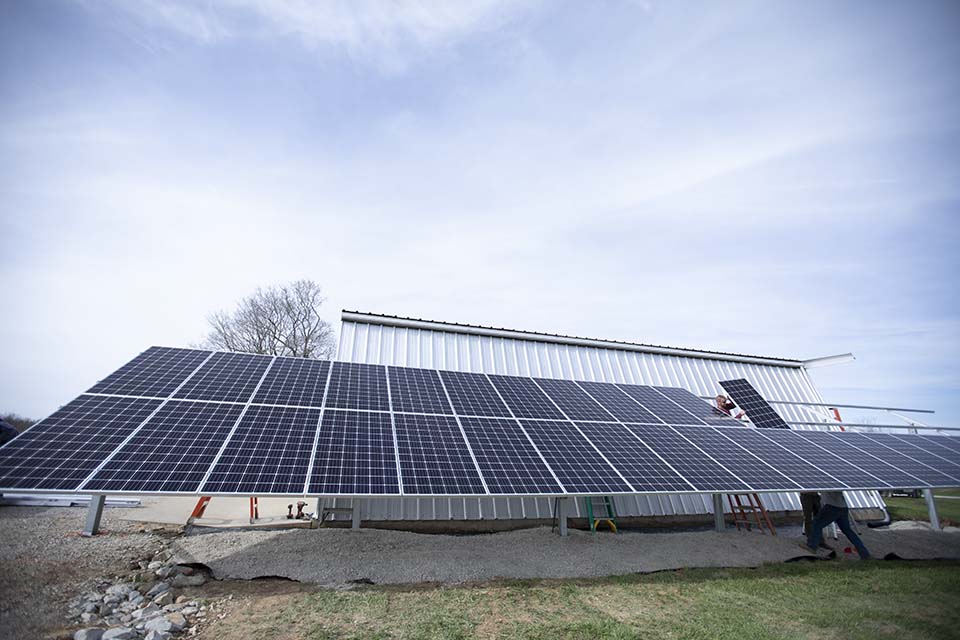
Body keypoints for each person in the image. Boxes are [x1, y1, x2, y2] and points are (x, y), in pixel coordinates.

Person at [799, 491, 871, 559]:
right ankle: (864, 554)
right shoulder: (836, 480)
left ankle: (812, 546)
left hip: (832, 507)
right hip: (843, 507)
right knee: (848, 530)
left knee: (816, 524)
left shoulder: (824, 480)